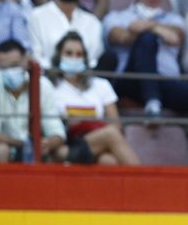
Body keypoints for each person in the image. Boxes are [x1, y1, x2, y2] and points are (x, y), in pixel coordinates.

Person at [97, 0, 188, 120]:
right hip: (130, 82)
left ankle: (155, 102)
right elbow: (120, 37)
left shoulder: (174, 19)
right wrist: (156, 31)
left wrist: (149, 25)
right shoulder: (116, 16)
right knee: (146, 38)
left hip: (167, 83)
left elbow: (176, 38)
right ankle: (152, 101)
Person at [48, 30, 138, 164]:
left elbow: (116, 124)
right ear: (58, 57)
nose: (74, 58)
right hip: (68, 144)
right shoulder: (50, 88)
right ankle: (146, 182)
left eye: (79, 54)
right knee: (110, 133)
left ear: (85, 59)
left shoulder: (101, 85)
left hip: (99, 140)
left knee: (108, 161)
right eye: (68, 53)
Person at [0, 38, 64, 162]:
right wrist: (26, 145)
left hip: (37, 149)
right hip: (2, 148)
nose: (9, 71)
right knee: (0, 150)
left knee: (60, 152)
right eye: (4, 68)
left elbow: (57, 132)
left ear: (26, 61)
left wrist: (47, 143)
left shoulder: (43, 85)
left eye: (14, 65)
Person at [26, 0, 101, 66]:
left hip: (85, 77)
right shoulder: (37, 17)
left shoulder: (93, 22)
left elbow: (94, 60)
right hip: (47, 77)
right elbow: (36, 56)